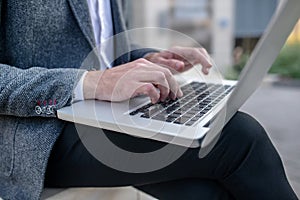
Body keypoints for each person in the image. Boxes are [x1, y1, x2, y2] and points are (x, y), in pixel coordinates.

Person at [0, 0, 298, 199]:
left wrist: (148, 60)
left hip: (111, 112)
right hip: (37, 132)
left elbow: (104, 53)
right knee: (237, 137)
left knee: (205, 192)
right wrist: (90, 82)